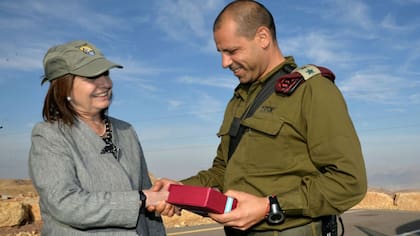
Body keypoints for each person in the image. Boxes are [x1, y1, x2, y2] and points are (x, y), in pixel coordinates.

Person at [155, 1, 367, 235]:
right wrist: (180, 189)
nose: (224, 63)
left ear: (263, 37)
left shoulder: (312, 90)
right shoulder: (239, 100)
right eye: (221, 53)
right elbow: (222, 172)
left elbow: (348, 182)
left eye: (232, 51)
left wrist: (270, 206)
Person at [29, 40, 174, 235]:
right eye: (92, 76)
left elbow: (148, 200)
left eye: (105, 73)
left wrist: (157, 202)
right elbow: (65, 203)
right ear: (64, 85)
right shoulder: (49, 135)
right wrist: (141, 199)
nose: (106, 83)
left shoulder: (126, 130)